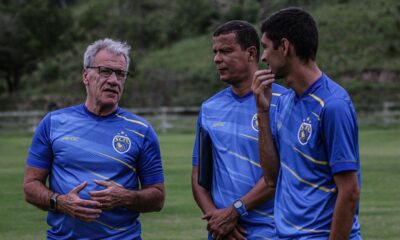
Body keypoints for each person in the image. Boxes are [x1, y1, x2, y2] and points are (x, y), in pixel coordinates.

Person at [23, 38, 165, 240]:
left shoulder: (141, 130)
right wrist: (60, 202)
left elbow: (158, 198)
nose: (114, 80)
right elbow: (30, 186)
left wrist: (126, 197)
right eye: (105, 71)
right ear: (85, 75)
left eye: (120, 74)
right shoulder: (53, 123)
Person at [252, 7, 362, 239]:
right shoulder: (285, 102)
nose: (262, 57)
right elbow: (272, 177)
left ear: (284, 46)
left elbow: (349, 192)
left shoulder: (333, 105)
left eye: (265, 47)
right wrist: (262, 111)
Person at [191, 20, 286, 240]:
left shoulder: (284, 102)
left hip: (271, 231)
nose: (217, 59)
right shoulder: (209, 108)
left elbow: (279, 173)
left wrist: (235, 211)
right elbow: (199, 177)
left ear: (251, 53)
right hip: (222, 232)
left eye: (225, 51)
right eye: (215, 52)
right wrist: (217, 218)